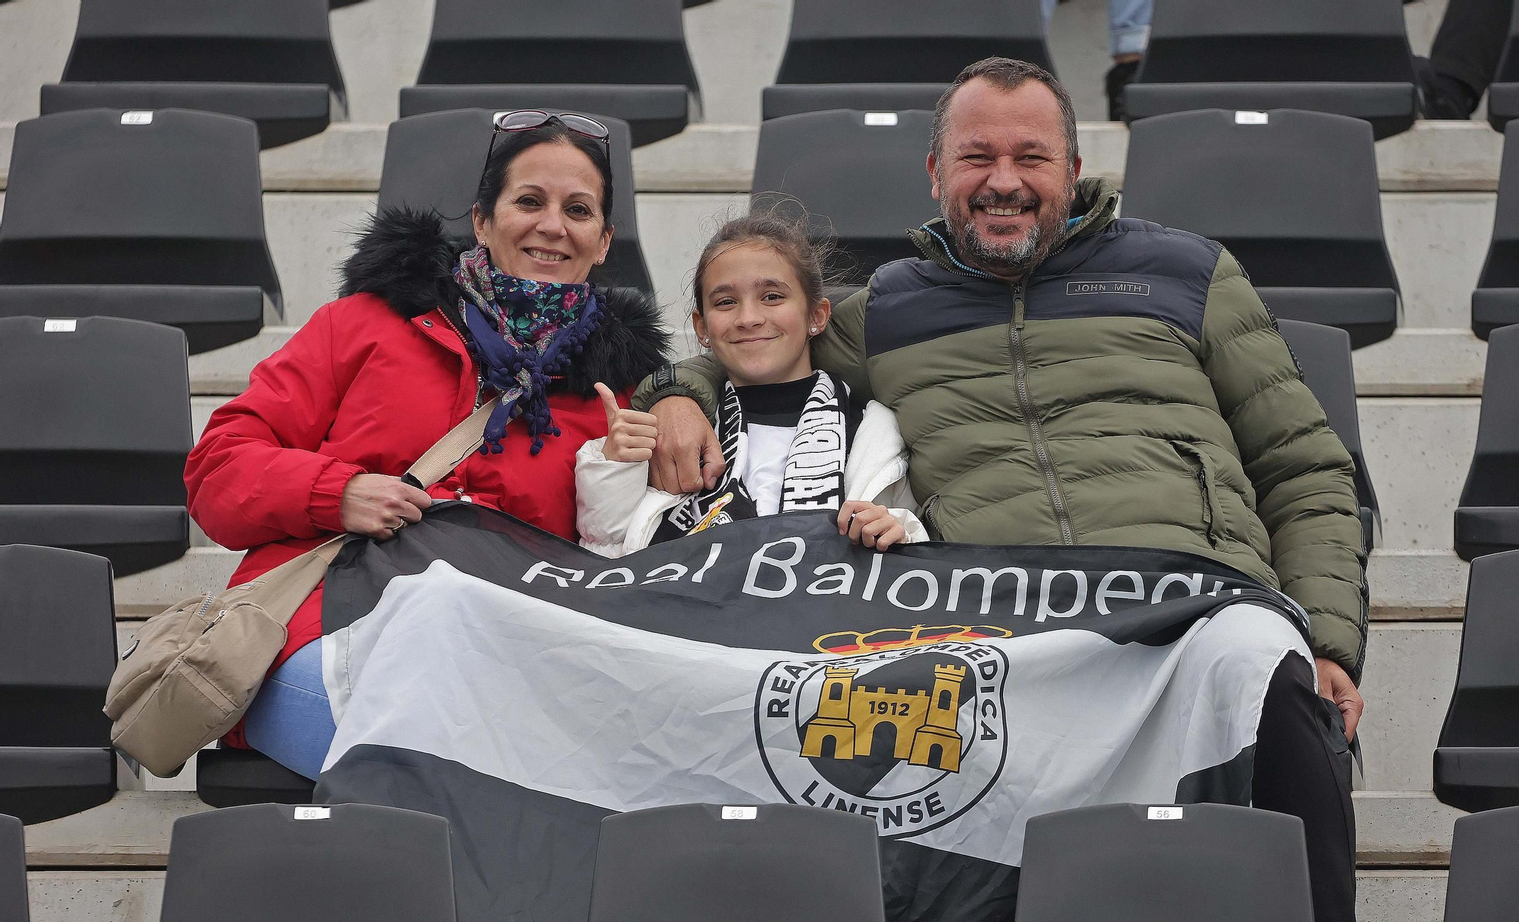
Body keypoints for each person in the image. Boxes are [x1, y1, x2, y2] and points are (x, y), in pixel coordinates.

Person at [632, 58, 1365, 922]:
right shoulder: (893, 308)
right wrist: (675, 395)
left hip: (1190, 595)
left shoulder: (1188, 272)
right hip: (1011, 624)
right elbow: (755, 346)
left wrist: (1330, 641)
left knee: (1269, 677)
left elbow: (1302, 464)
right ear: (936, 175)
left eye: (1032, 157)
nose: (1005, 182)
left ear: (1075, 169)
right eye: (977, 158)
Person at [184, 112, 669, 779]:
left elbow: (626, 560)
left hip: (502, 662)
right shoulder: (362, 324)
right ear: (481, 220)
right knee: (446, 762)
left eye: (577, 209)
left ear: (604, 239)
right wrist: (338, 491)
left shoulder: (619, 392)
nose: (552, 225)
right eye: (529, 200)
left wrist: (680, 400)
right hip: (321, 639)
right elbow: (217, 470)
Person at [574, 212, 926, 556]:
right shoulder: (668, 430)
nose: (749, 318)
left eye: (772, 296)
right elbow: (604, 555)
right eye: (726, 302)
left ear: (816, 316)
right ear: (702, 328)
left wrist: (898, 532)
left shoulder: (873, 430)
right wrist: (615, 466)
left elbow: (915, 556)